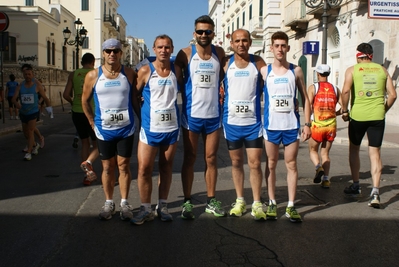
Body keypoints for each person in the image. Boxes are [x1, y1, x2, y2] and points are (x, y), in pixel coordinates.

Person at [174, 15, 226, 219]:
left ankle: (211, 200)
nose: (204, 35)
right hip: (191, 116)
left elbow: (223, 77)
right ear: (194, 33)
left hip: (213, 116)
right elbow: (173, 82)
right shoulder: (185, 54)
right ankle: (187, 201)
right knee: (190, 158)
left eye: (208, 32)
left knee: (211, 159)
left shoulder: (219, 53)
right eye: (200, 31)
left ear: (213, 33)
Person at [82, 38, 139, 221]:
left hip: (126, 128)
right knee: (107, 167)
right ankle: (108, 201)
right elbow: (84, 100)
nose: (112, 54)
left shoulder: (129, 73)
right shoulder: (92, 75)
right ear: (104, 53)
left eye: (115, 51)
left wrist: (142, 119)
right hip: (104, 129)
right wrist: (91, 121)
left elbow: (136, 99)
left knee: (123, 166)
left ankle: (124, 202)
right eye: (108, 51)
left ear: (121, 53)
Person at [262, 31, 312, 222]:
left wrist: (307, 123)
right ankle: (272, 202)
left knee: (291, 164)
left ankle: (291, 205)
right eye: (277, 45)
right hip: (271, 126)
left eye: (283, 45)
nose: (280, 49)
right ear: (271, 48)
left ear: (288, 48)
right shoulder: (265, 71)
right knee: (272, 164)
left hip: (291, 126)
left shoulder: (296, 70)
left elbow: (305, 99)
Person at [131, 35, 179, 225]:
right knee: (144, 169)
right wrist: (141, 116)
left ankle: (163, 206)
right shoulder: (145, 71)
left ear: (172, 49)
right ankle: (145, 208)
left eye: (167, 47)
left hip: (171, 128)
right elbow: (134, 94)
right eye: (160, 47)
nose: (163, 50)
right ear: (153, 49)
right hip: (150, 128)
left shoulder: (177, 71)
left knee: (166, 168)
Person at [341, 43, 397, 208]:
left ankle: (356, 185)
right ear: (371, 55)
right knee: (375, 154)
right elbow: (393, 95)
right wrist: (383, 109)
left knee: (354, 149)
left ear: (358, 55)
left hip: (358, 116)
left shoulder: (352, 70)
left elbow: (345, 92)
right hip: (377, 117)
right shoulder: (382, 70)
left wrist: (344, 110)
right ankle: (375, 191)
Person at [222, 29, 266, 220]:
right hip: (231, 122)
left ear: (250, 42)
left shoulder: (258, 63)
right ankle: (240, 200)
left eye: (245, 40)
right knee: (236, 162)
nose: (241, 44)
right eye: (237, 41)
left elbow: (271, 84)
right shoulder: (226, 64)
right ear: (231, 44)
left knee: (255, 164)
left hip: (253, 124)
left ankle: (257, 202)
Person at [63, 53, 99, 186]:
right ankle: (89, 163)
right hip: (92, 112)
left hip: (77, 111)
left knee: (84, 143)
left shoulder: (73, 74)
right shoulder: (96, 73)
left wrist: (74, 103)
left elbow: (66, 95)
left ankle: (87, 175)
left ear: (81, 62)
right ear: (93, 62)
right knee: (98, 144)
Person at [307, 64, 341, 188]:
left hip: (317, 126)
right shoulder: (335, 88)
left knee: (312, 150)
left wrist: (307, 123)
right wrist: (335, 113)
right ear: (329, 74)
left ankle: (318, 167)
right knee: (325, 154)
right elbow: (343, 107)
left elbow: (308, 105)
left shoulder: (313, 88)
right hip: (331, 126)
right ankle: (326, 180)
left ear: (317, 74)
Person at [12, 64, 52, 161]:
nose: (27, 76)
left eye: (29, 74)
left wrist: (49, 109)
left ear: (32, 74)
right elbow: (13, 99)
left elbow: (45, 97)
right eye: (25, 74)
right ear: (23, 75)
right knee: (26, 134)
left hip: (33, 112)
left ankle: (29, 152)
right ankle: (35, 145)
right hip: (23, 112)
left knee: (30, 131)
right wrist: (17, 104)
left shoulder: (37, 85)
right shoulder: (20, 86)